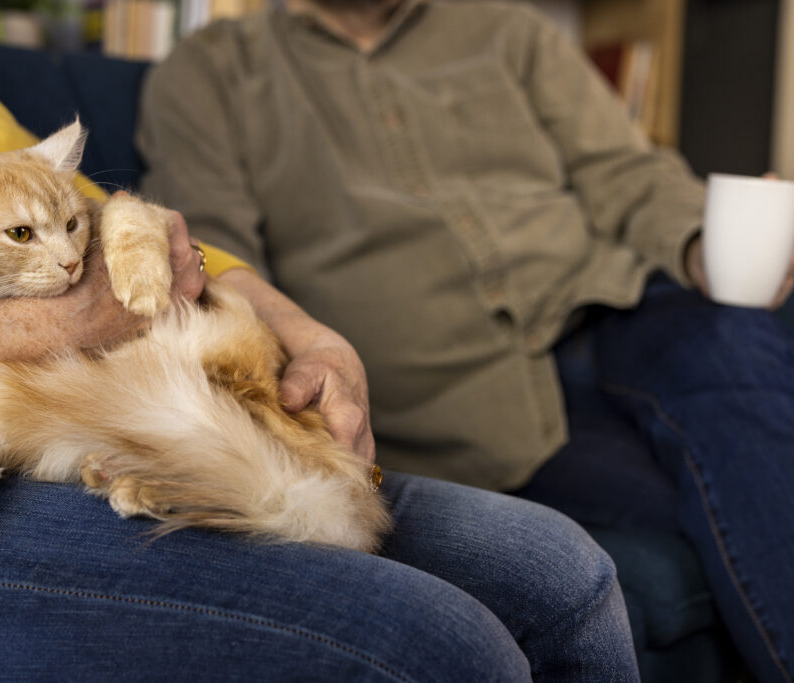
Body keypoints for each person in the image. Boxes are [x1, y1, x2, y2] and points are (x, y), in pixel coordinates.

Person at [0, 1, 641, 679]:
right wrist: (55, 323)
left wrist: (313, 336)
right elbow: (76, 295)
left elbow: (115, 230)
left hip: (94, 399)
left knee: (563, 573)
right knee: (438, 648)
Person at [136, 0, 794, 681]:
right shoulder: (208, 74)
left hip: (611, 308)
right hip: (463, 402)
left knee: (736, 339)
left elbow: (626, 172)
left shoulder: (510, 32)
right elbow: (218, 265)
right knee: (743, 494)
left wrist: (705, 244)